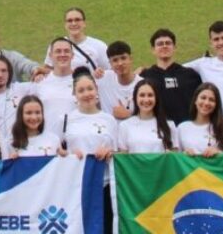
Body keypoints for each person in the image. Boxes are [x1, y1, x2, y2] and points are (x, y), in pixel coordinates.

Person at [60, 68, 118, 230]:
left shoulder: (109, 120)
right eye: (81, 90)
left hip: (103, 184)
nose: (87, 94)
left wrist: (109, 153)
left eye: (90, 89)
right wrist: (68, 155)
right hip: (76, 186)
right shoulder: (65, 119)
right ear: (75, 94)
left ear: (96, 90)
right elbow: (57, 151)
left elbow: (117, 151)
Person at [139, 29, 202, 124]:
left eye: (168, 43)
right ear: (153, 50)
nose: (164, 46)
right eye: (160, 44)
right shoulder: (144, 77)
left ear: (175, 47)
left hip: (187, 130)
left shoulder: (190, 75)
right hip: (157, 131)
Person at [29, 38, 78, 130]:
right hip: (48, 141)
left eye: (66, 51)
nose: (62, 54)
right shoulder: (40, 83)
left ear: (72, 55)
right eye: (58, 51)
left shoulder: (81, 82)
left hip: (75, 140)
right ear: (50, 55)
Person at [117, 79, 178, 154]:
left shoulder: (169, 125)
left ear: (156, 98)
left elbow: (175, 158)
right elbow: (123, 159)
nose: (146, 100)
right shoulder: (125, 126)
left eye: (150, 95)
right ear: (135, 98)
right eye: (142, 95)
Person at [44, 8, 108, 74]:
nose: (74, 23)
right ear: (65, 25)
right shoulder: (56, 45)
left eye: (77, 20)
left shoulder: (99, 46)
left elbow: (109, 71)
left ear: (84, 23)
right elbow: (48, 69)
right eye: (69, 21)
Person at [176, 83, 223, 157]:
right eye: (203, 98)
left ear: (216, 105)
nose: (206, 103)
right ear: (195, 100)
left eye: (211, 100)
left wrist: (219, 153)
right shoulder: (182, 128)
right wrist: (184, 154)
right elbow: (176, 159)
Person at [0, 55, 31, 138]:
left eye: (4, 71)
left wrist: (38, 74)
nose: (0, 75)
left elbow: (46, 84)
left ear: (9, 73)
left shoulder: (20, 89)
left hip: (19, 145)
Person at [97, 41, 139, 121]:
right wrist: (93, 74)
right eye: (115, 60)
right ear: (110, 63)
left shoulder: (142, 85)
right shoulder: (102, 78)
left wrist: (129, 115)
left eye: (123, 58)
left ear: (130, 59)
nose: (120, 63)